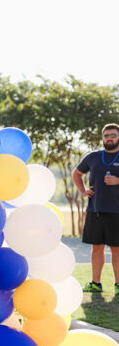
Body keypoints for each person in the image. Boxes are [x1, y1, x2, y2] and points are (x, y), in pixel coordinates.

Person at [73, 123, 119, 294]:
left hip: (117, 212)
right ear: (103, 138)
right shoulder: (93, 157)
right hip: (96, 210)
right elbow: (77, 173)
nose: (109, 138)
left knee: (117, 249)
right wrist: (83, 190)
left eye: (113, 135)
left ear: (118, 137)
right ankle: (95, 283)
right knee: (96, 248)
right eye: (106, 135)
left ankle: (118, 284)